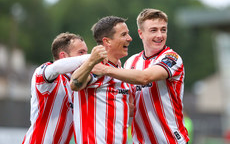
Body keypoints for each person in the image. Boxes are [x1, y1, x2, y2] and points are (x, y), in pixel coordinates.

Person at [93, 8, 190, 144]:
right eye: (153, 30)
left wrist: (105, 69)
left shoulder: (172, 57)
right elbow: (129, 106)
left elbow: (145, 77)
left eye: (163, 30)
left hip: (171, 140)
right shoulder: (130, 62)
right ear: (141, 33)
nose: (160, 35)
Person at [22, 32, 103, 144]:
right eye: (81, 53)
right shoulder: (44, 72)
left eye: (86, 52)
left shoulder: (80, 82)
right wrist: (91, 58)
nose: (86, 56)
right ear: (63, 56)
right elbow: (57, 67)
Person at [70, 16, 134, 144]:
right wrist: (91, 62)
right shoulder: (96, 67)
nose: (129, 38)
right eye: (124, 34)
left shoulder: (119, 70)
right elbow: (74, 84)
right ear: (107, 41)